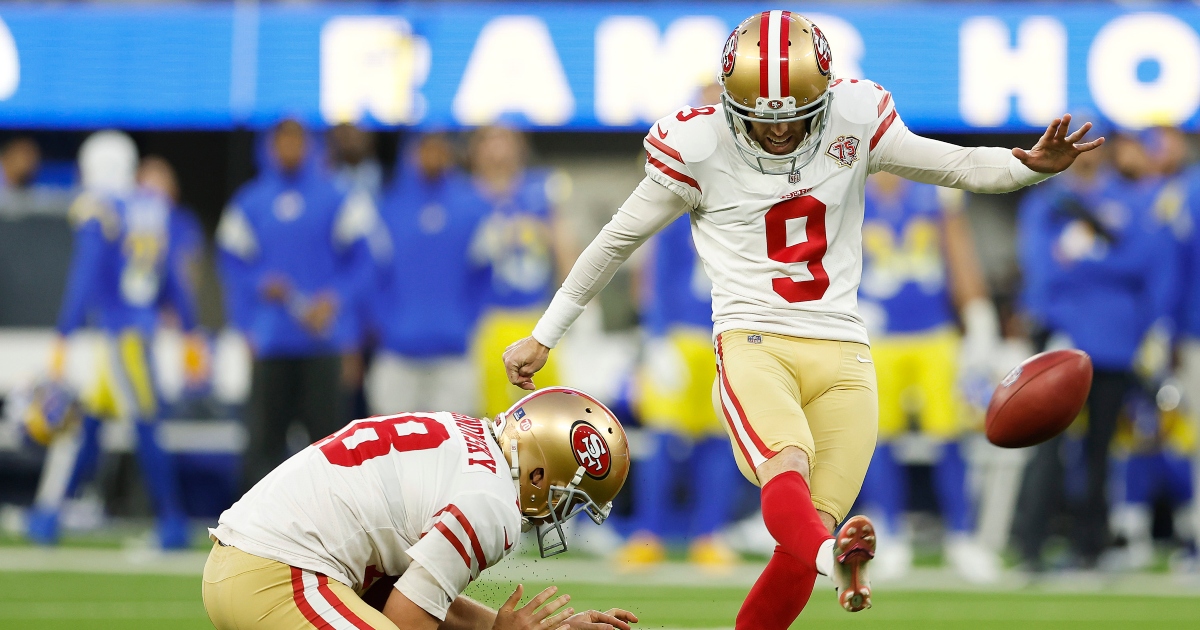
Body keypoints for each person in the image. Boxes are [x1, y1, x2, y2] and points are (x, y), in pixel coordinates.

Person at [502, 11, 1101, 627]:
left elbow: (951, 165)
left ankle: (822, 557)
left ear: (825, 97)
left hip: (845, 351)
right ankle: (837, 563)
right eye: (761, 119)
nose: (777, 133)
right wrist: (546, 334)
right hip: (754, 342)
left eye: (792, 118)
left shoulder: (855, 117)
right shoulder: (695, 144)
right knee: (785, 469)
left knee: (803, 537)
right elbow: (614, 241)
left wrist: (1025, 165)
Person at [203, 387, 638, 630]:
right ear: (539, 475)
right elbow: (408, 619)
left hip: (253, 565)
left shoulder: (465, 433)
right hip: (282, 573)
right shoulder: (492, 504)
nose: (557, 515)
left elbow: (417, 595)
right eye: (567, 500)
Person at [30, 131, 204, 548]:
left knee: (146, 425)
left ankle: (172, 522)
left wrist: (64, 333)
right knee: (92, 423)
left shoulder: (100, 209)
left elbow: (85, 275)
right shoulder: (152, 206)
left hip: (118, 332)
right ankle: (49, 516)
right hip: (134, 330)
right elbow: (170, 278)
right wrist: (190, 329)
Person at [1014, 130, 1176, 571]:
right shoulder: (1046, 202)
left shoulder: (1131, 201)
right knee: (1047, 445)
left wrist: (1086, 262)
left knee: (1102, 447)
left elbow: (1146, 261)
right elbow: (1040, 270)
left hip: (1115, 341)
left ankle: (1092, 546)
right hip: (1065, 336)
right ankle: (1031, 544)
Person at [855, 171, 1002, 582]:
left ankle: (962, 535)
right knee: (877, 438)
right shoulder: (847, 190)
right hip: (878, 335)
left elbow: (959, 251)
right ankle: (890, 534)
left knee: (948, 434)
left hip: (934, 333)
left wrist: (976, 311)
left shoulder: (934, 193)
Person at [216, 119, 377, 489]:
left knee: (330, 446)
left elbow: (365, 262)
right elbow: (229, 262)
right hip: (271, 341)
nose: (289, 147)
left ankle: (334, 533)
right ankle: (256, 536)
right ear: (270, 146)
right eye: (282, 139)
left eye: (296, 139)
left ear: (310, 145)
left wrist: (334, 301)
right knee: (263, 445)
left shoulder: (337, 197)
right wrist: (254, 302)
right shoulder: (251, 201)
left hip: (322, 340)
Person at [618, 214, 744, 569]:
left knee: (719, 438)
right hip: (679, 336)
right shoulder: (678, 207)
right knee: (661, 436)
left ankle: (710, 534)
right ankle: (648, 534)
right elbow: (654, 273)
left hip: (727, 333)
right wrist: (656, 336)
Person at [367, 133, 490, 416]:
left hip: (454, 354)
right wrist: (387, 325)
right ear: (411, 154)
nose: (432, 156)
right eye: (425, 149)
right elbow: (372, 276)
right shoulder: (388, 209)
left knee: (455, 450)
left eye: (439, 148)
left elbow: (485, 274)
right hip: (397, 354)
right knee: (391, 452)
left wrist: (463, 321)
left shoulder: (472, 209)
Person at [465, 125, 573, 416]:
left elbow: (562, 244)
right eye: (489, 140)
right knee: (493, 418)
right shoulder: (465, 198)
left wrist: (578, 302)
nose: (498, 148)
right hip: (487, 318)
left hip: (536, 315)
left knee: (546, 410)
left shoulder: (540, 189)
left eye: (505, 138)